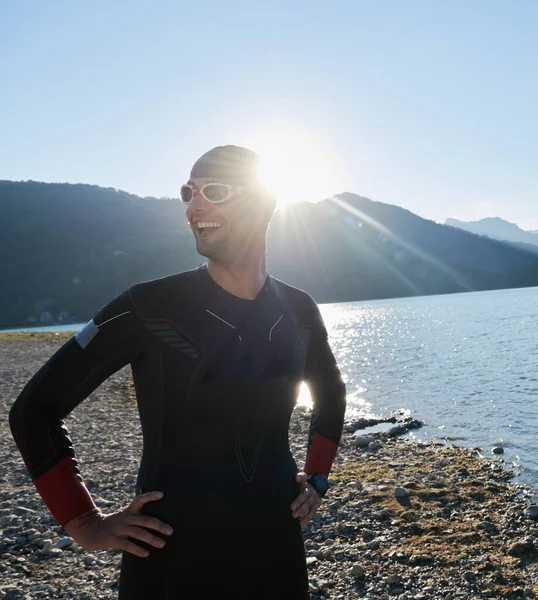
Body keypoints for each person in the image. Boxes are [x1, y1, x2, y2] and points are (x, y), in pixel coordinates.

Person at [9, 145, 347, 599]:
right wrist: (84, 522)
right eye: (188, 191)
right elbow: (34, 410)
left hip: (275, 545)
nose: (195, 204)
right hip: (171, 557)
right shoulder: (148, 307)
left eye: (216, 191)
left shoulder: (299, 309)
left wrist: (318, 477)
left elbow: (331, 394)